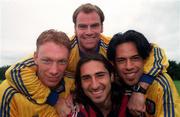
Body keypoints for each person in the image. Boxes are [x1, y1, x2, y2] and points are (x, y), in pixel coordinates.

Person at [5, 3, 169, 113]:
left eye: (94, 25)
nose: (89, 31)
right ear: (75, 29)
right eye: (83, 26)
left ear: (102, 27)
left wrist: (140, 90)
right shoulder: (64, 49)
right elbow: (16, 71)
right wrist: (54, 100)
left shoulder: (111, 45)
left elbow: (156, 53)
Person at [107, 30, 180, 116]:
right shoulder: (112, 83)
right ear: (114, 64)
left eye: (135, 58)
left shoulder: (160, 84)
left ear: (145, 60)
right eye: (121, 60)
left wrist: (140, 90)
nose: (129, 66)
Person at [0, 29, 71, 116]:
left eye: (62, 61)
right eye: (47, 61)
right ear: (35, 58)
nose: (54, 71)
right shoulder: (9, 92)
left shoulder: (72, 86)